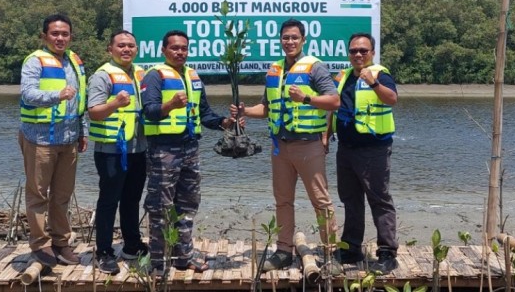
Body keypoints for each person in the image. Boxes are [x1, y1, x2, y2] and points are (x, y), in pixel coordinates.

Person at [232, 19, 340, 271]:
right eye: (285, 38)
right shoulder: (274, 70)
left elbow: (334, 102)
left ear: (303, 40)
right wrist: (244, 111)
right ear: (280, 40)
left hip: (308, 146)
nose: (289, 42)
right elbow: (267, 108)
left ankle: (331, 253)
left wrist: (306, 98)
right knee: (282, 200)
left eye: (294, 37)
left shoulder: (316, 67)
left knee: (321, 201)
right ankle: (283, 251)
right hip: (280, 147)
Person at [141, 30, 235, 273]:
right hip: (164, 150)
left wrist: (224, 122)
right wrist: (170, 104)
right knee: (160, 207)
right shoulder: (154, 76)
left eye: (184, 48)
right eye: (174, 48)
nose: (180, 52)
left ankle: (184, 257)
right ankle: (158, 263)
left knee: (188, 204)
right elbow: (149, 111)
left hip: (190, 149)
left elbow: (205, 114)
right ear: (163, 50)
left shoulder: (193, 76)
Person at [19, 13, 88, 267]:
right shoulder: (34, 61)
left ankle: (61, 242)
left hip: (69, 137)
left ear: (70, 36)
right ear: (44, 36)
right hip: (39, 138)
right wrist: (56, 95)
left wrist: (83, 131)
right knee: (38, 194)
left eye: (65, 34)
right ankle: (40, 245)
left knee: (62, 195)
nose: (60, 38)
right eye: (55, 33)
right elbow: (27, 94)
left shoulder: (74, 61)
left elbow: (80, 100)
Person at [327, 32, 398, 273]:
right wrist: (326, 135)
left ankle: (387, 253)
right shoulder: (343, 76)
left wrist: (374, 83)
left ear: (372, 53)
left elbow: (392, 100)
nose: (358, 54)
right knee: (350, 199)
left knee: (379, 200)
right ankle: (351, 248)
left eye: (363, 51)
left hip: (373, 149)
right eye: (354, 51)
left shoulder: (380, 74)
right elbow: (333, 108)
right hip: (346, 148)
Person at [87, 30, 148, 275]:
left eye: (131, 46)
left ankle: (132, 245)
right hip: (111, 149)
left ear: (136, 49)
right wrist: (114, 103)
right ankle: (103, 252)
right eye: (121, 46)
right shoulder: (102, 76)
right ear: (110, 50)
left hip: (138, 148)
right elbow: (94, 112)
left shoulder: (141, 73)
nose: (126, 49)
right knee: (109, 201)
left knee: (132, 199)